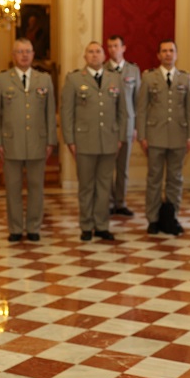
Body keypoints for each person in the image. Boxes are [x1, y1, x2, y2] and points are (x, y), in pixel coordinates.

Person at [0, 38, 57, 242]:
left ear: (33, 55)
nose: (24, 55)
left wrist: (51, 141)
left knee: (36, 188)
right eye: (20, 51)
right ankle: (15, 228)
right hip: (11, 143)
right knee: (13, 188)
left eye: (28, 51)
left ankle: (34, 227)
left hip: (38, 143)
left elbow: (50, 112)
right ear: (13, 55)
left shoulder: (44, 79)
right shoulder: (1, 80)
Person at [62, 41, 128, 241]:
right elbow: (67, 113)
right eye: (90, 52)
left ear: (104, 56)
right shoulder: (74, 79)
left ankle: (101, 225)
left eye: (98, 51)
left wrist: (120, 137)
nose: (94, 55)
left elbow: (122, 112)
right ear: (85, 57)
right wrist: (70, 140)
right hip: (84, 141)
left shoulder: (115, 79)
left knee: (104, 186)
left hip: (109, 141)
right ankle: (86, 225)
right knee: (86, 187)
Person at [138, 40, 190, 235]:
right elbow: (141, 110)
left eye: (171, 51)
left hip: (179, 136)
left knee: (175, 179)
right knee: (154, 179)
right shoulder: (148, 78)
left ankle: (172, 216)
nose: (168, 54)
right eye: (164, 51)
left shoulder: (185, 78)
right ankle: (153, 219)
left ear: (176, 55)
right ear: (158, 55)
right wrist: (142, 135)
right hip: (155, 136)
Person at [107, 34, 140, 217]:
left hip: (127, 125)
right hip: (108, 127)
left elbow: (138, 101)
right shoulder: (103, 70)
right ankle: (108, 202)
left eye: (116, 46)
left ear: (123, 48)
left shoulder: (133, 71)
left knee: (122, 168)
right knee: (106, 168)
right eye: (110, 46)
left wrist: (136, 127)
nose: (113, 49)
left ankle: (120, 202)